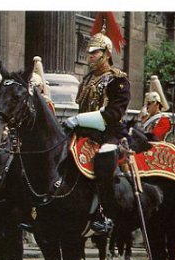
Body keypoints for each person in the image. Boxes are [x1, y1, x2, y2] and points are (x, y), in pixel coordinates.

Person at [63, 12, 129, 233]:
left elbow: (113, 113)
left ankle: (104, 214)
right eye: (89, 52)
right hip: (85, 132)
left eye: (94, 52)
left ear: (106, 54)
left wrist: (78, 119)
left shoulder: (118, 79)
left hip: (108, 133)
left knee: (103, 160)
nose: (89, 56)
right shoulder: (87, 79)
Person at [139, 75, 171, 141]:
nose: (147, 106)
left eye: (149, 103)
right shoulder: (146, 118)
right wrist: (141, 121)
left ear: (157, 103)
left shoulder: (163, 119)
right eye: (146, 104)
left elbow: (154, 137)